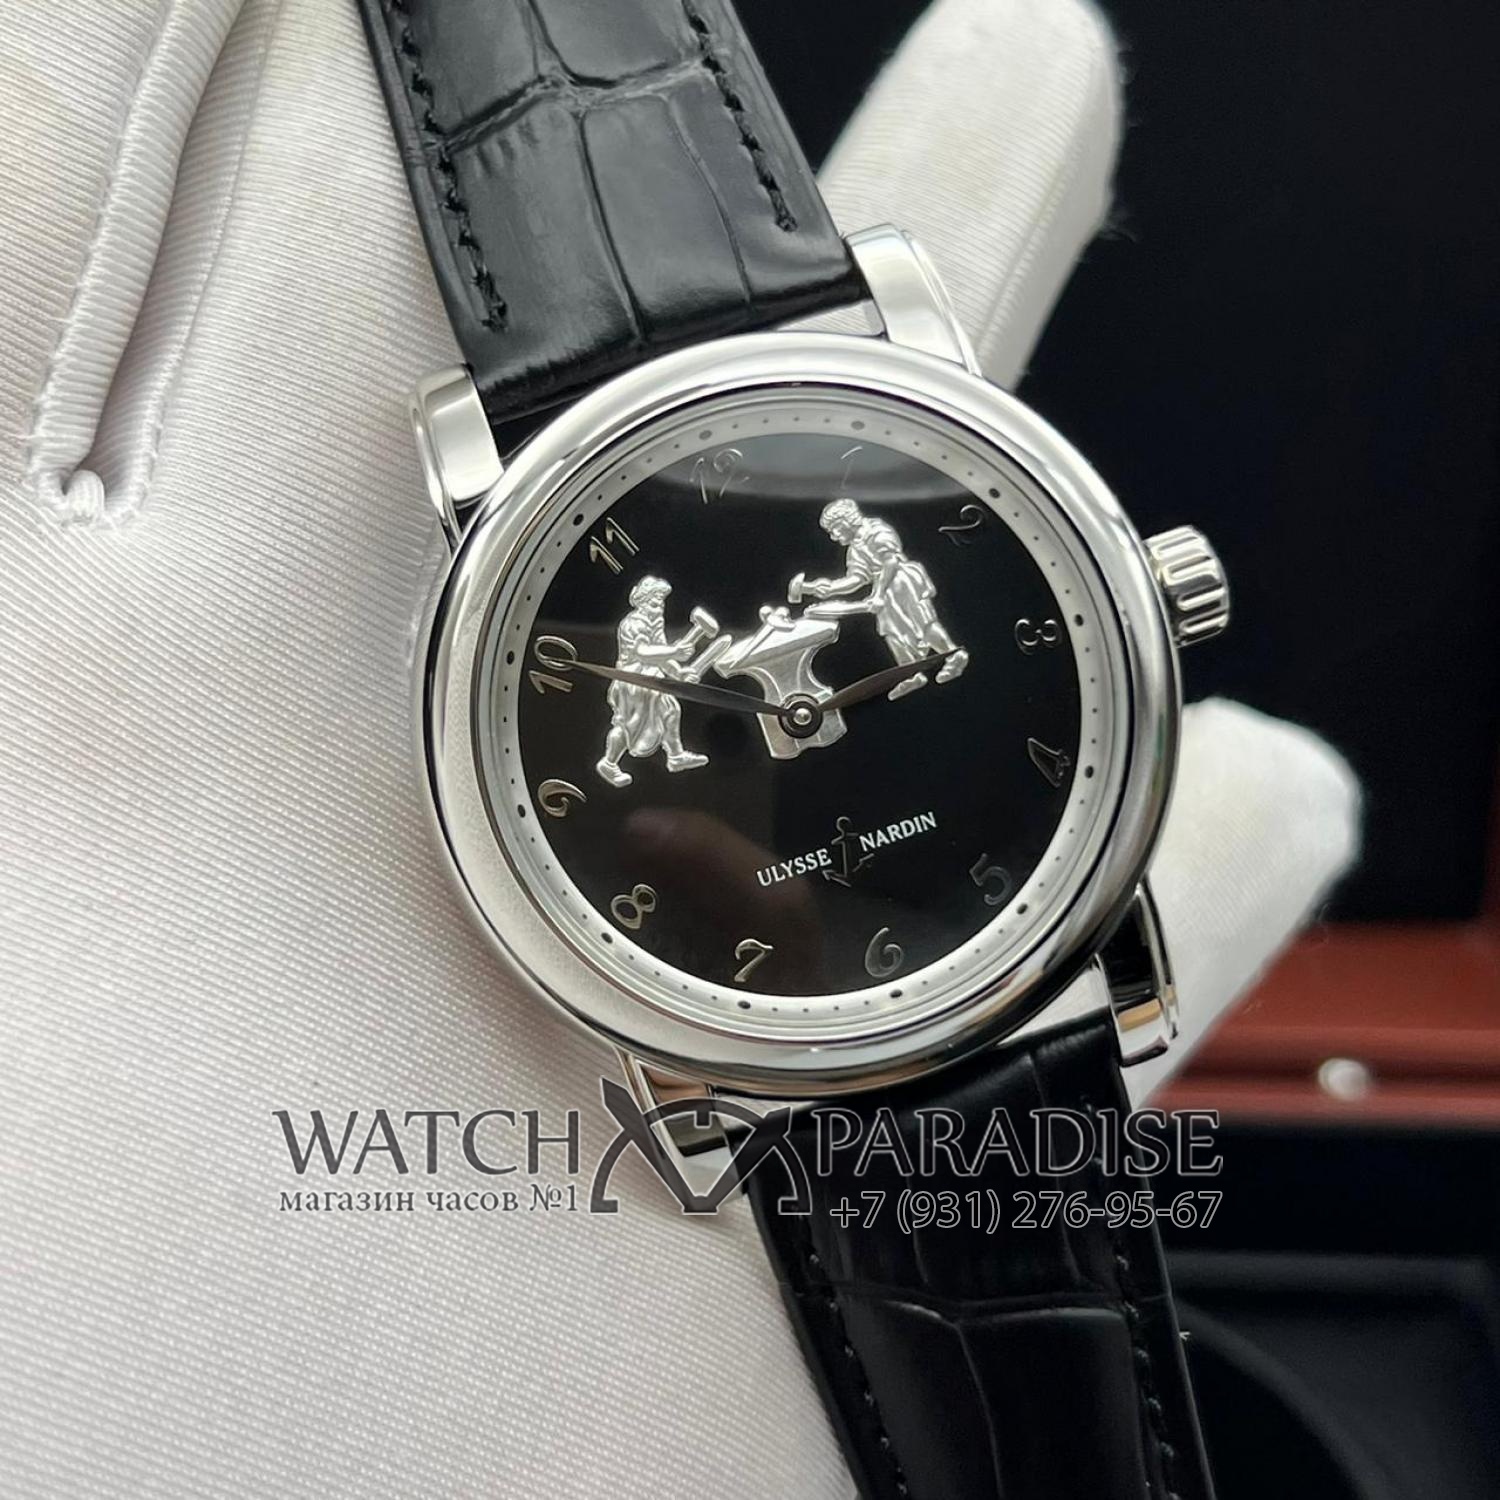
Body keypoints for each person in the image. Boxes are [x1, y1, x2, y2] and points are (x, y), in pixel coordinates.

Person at [796, 499, 968, 699]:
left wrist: (878, 594)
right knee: (890, 632)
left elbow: (890, 561)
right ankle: (910, 674)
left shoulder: (876, 530)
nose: (834, 536)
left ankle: (954, 655)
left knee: (923, 623)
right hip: (884, 591)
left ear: (846, 521)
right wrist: (830, 589)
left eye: (834, 529)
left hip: (902, 582)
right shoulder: (854, 549)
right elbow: (857, 578)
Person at [596, 576, 711, 787]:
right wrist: (675, 651)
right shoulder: (632, 623)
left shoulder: (655, 622)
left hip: (653, 680)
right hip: (633, 681)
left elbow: (661, 656)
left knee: (671, 711)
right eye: (654, 603)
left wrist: (679, 673)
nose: (659, 608)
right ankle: (609, 763)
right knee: (628, 725)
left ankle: (675, 756)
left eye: (661, 603)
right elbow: (641, 652)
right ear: (642, 601)